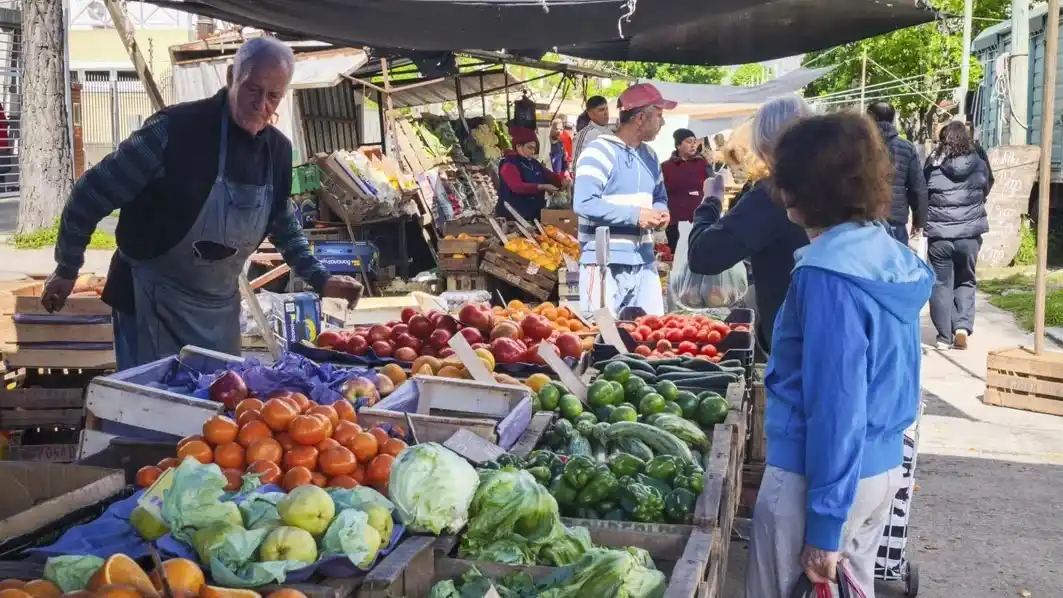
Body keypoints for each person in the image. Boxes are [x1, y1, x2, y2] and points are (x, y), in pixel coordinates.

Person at [40, 37, 364, 369]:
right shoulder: (173, 132)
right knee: (154, 412)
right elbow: (90, 194)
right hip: (150, 303)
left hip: (218, 313)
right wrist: (67, 267)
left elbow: (283, 223)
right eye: (252, 89)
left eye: (273, 96)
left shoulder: (277, 153)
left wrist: (321, 279)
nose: (261, 105)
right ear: (230, 77)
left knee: (218, 411)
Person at [746, 113, 932, 598]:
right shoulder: (889, 253)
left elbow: (837, 406)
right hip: (877, 472)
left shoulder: (828, 277)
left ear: (801, 187)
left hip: (818, 479)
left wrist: (824, 528)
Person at [686, 95, 811, 354]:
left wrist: (710, 201)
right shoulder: (839, 183)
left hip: (794, 337)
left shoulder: (776, 193)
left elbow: (704, 255)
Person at [572, 82, 673, 316]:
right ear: (640, 118)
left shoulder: (650, 156)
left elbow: (659, 196)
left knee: (651, 335)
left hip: (644, 261)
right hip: (602, 264)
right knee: (603, 338)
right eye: (658, 115)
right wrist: (636, 215)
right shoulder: (598, 151)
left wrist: (661, 211)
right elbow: (584, 203)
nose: (663, 122)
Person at [924, 121, 992, 350]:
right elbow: (986, 186)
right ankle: (962, 326)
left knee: (940, 283)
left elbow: (922, 191)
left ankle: (944, 337)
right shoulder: (979, 162)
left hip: (940, 235)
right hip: (969, 235)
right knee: (965, 279)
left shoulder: (933, 163)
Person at [866, 102, 928, 244]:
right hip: (895, 220)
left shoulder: (859, 147)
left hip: (864, 221)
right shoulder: (907, 148)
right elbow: (918, 188)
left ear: (871, 118)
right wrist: (919, 221)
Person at [497, 127, 567, 222]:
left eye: (534, 148)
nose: (533, 151)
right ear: (518, 147)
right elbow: (517, 187)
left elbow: (549, 176)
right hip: (513, 218)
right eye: (530, 147)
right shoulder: (509, 164)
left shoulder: (534, 163)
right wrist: (542, 187)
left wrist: (562, 182)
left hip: (533, 216)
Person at [661, 128, 710, 251]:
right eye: (688, 141)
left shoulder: (703, 164)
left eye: (694, 141)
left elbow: (712, 187)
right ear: (678, 145)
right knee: (677, 256)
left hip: (699, 221)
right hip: (675, 222)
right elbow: (660, 193)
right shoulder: (666, 167)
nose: (693, 145)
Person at [572, 95, 612, 164]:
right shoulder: (585, 135)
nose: (606, 113)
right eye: (601, 110)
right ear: (590, 114)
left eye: (606, 109)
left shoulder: (611, 134)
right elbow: (577, 165)